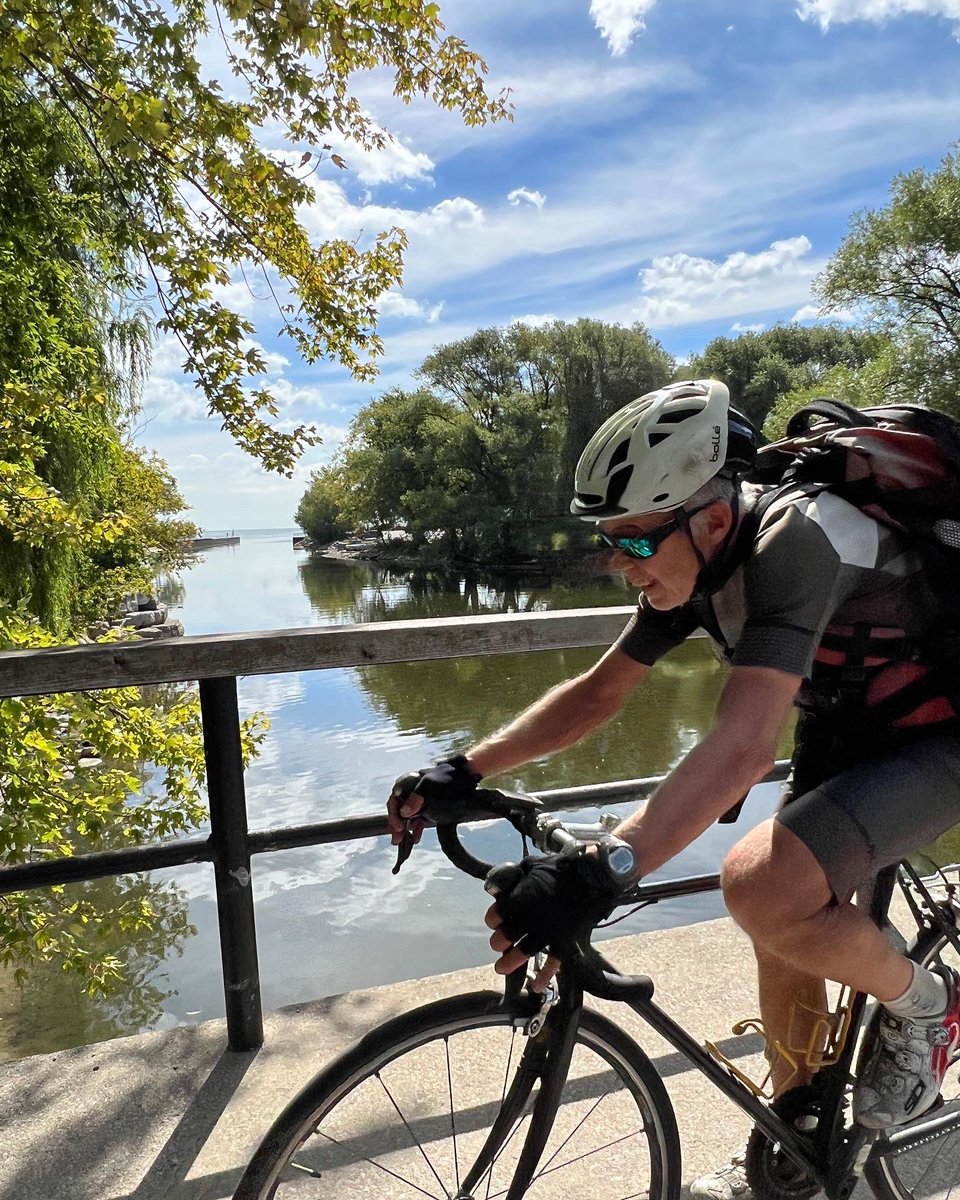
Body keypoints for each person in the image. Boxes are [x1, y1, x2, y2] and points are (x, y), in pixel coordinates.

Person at [386, 379, 960, 1197]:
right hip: (858, 724)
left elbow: (742, 744)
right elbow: (598, 693)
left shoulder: (801, 541)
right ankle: (801, 1127)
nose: (620, 564)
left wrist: (608, 866)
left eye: (635, 543)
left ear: (714, 517)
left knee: (761, 883)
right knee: (782, 921)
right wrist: (468, 767)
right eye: (610, 544)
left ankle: (931, 1005)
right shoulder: (694, 558)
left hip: (944, 733)